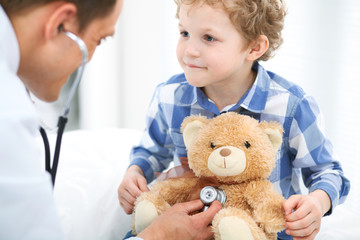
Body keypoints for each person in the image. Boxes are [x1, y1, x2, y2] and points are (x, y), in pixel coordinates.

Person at [118, 0, 351, 239]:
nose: (189, 50)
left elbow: (328, 173)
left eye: (208, 38)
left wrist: (317, 203)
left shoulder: (292, 105)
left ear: (254, 47)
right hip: (195, 229)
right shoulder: (169, 95)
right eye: (184, 33)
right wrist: (135, 172)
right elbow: (151, 152)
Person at [0, 0, 222, 239]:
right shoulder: (7, 116)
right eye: (99, 39)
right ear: (60, 24)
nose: (90, 59)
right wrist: (158, 235)